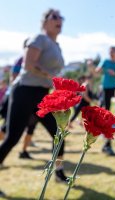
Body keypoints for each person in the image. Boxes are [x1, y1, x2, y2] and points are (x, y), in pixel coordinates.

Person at [0, 9, 67, 182]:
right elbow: (29, 65)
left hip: (42, 95)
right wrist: (50, 76)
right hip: (24, 91)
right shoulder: (39, 39)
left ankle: (59, 172)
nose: (59, 20)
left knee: (59, 133)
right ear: (44, 22)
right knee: (12, 137)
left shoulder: (57, 46)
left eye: (61, 18)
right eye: (54, 17)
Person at [0, 39, 39, 159]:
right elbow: (14, 78)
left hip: (33, 97)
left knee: (32, 125)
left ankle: (24, 151)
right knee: (9, 128)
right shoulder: (21, 60)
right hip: (17, 97)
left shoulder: (39, 60)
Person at [95, 46, 115, 156]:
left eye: (113, 51)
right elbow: (97, 71)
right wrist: (98, 68)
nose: (111, 53)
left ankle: (106, 136)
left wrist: (114, 74)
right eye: (109, 52)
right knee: (107, 112)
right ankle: (106, 137)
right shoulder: (105, 61)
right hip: (106, 88)